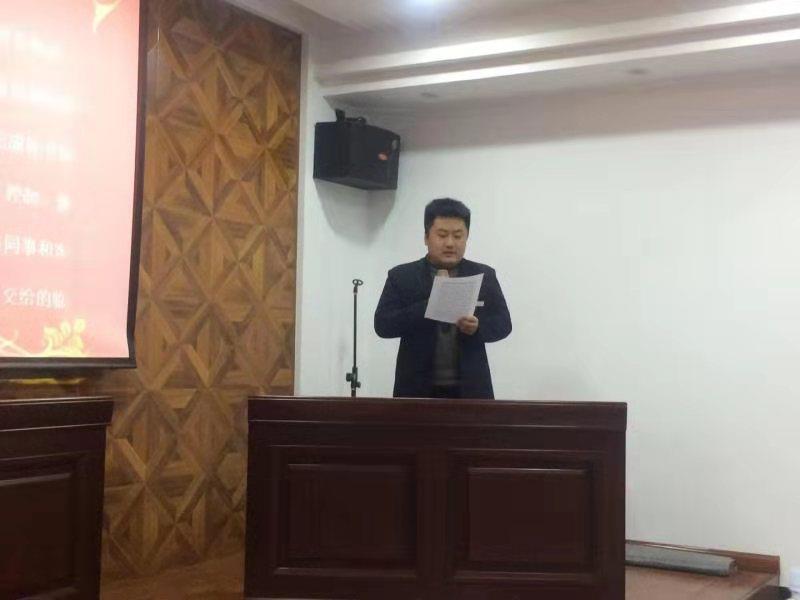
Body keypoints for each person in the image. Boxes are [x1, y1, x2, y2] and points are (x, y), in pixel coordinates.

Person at [374, 198, 511, 399]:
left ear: (467, 237)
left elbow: (503, 324)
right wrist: (430, 306)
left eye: (458, 236)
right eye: (442, 235)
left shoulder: (483, 275)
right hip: (415, 390)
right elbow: (383, 325)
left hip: (471, 390)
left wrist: (477, 327)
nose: (450, 243)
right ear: (426, 237)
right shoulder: (402, 276)